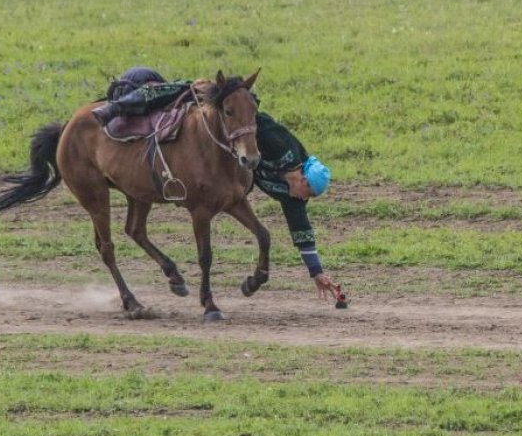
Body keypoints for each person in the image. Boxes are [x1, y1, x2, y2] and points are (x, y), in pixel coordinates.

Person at [92, 67, 342, 302]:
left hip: (233, 177)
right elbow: (251, 121)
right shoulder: (278, 143)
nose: (303, 199)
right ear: (302, 178)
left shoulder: (290, 193)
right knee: (181, 88)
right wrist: (233, 99)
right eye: (306, 192)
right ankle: (115, 108)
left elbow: (300, 226)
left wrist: (316, 272)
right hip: (229, 111)